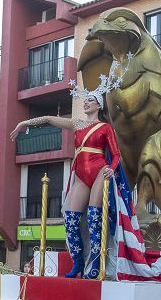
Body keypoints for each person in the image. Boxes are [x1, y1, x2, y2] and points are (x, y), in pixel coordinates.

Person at [10, 78, 129, 279]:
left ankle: (96, 264)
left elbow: (116, 154)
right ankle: (78, 263)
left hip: (99, 171)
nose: (86, 103)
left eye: (90, 100)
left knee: (94, 217)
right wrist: (25, 122)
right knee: (71, 218)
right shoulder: (76, 124)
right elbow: (48, 118)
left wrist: (112, 168)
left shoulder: (105, 127)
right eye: (85, 100)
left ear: (99, 105)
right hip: (81, 174)